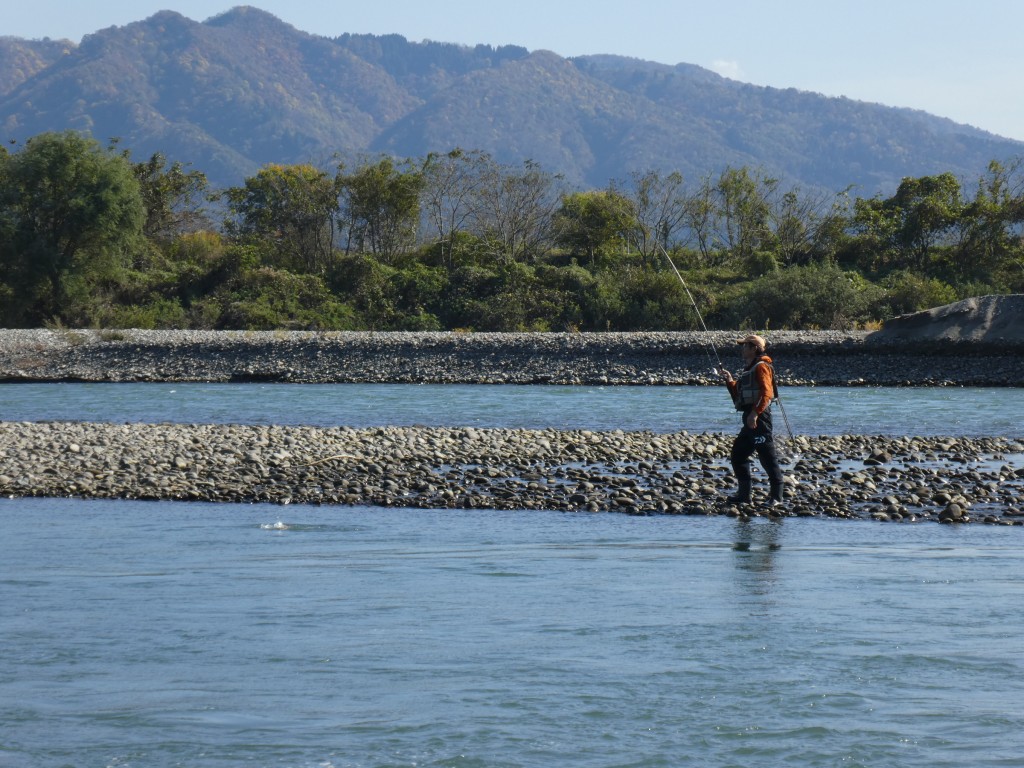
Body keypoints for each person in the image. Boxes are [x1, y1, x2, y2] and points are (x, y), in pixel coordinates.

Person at [716, 333, 784, 506]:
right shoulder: (750, 368)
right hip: (750, 418)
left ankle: (776, 497)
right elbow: (740, 394)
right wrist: (730, 381)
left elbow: (767, 394)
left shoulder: (761, 367)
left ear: (754, 348)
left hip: (760, 418)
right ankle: (744, 495)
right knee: (738, 455)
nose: (742, 349)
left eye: (745, 346)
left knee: (767, 458)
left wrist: (755, 414)